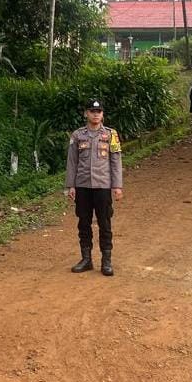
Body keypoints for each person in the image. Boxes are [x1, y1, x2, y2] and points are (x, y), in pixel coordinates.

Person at [65, 99, 123, 276]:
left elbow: (116, 161)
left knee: (105, 223)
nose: (96, 114)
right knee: (84, 223)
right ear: (86, 113)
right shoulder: (77, 135)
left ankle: (106, 261)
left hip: (102, 186)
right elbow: (72, 162)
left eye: (99, 111)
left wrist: (117, 186)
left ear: (102, 114)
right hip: (82, 185)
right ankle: (86, 259)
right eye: (92, 111)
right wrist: (70, 185)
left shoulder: (111, 135)